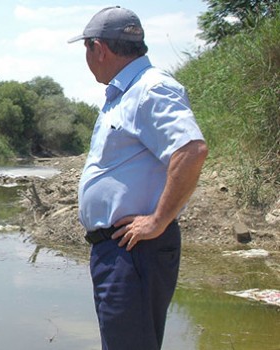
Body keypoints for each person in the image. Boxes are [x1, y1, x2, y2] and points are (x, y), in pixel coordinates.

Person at [68, 6, 208, 350]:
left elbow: (191, 150)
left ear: (98, 48)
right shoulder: (124, 94)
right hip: (119, 250)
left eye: (86, 48)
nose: (86, 58)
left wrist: (158, 221)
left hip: (135, 250)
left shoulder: (150, 89)